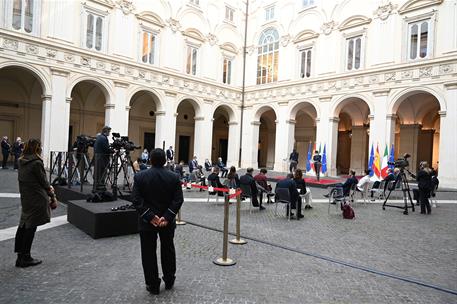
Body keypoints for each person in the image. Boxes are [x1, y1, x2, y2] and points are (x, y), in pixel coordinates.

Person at [132, 148, 184, 295]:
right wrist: (166, 217)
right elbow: (178, 200)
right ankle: (169, 280)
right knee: (168, 249)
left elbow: (136, 200)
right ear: (165, 161)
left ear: (150, 160)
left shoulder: (140, 177)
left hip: (147, 222)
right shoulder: (173, 177)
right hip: (166, 222)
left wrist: (150, 216)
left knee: (148, 253)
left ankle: (152, 284)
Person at [15, 138, 58, 267]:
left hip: (27, 198)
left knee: (23, 225)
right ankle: (26, 258)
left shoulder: (21, 160)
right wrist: (52, 196)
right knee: (30, 228)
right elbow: (44, 183)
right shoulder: (36, 163)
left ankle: (20, 256)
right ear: (37, 148)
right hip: (37, 198)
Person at [93, 126, 111, 192]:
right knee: (102, 174)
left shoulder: (99, 137)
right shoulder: (104, 138)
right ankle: (100, 188)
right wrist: (112, 151)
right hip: (102, 159)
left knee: (98, 174)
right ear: (106, 131)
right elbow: (106, 149)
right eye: (109, 131)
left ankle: (96, 188)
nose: (109, 133)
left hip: (98, 158)